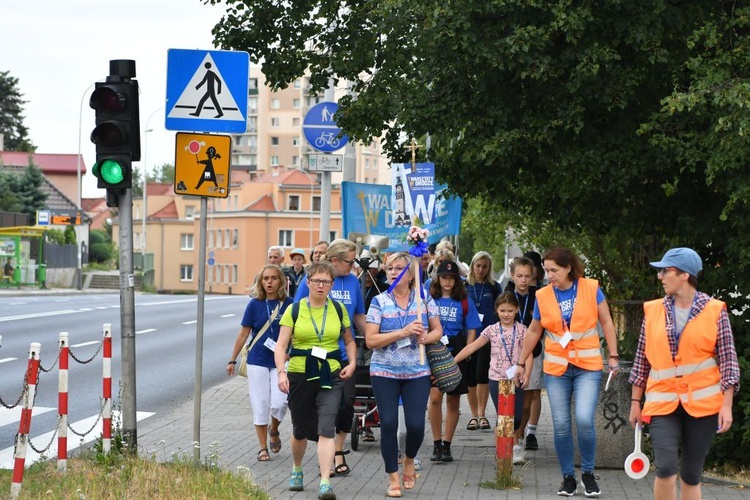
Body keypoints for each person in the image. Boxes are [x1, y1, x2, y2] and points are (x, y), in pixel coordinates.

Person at [628, 248, 740, 500]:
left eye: (665, 271)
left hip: (703, 406)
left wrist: (727, 406)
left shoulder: (715, 310)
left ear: (684, 275)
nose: (660, 276)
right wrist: (636, 402)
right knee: (666, 467)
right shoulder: (653, 310)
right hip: (661, 402)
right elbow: (641, 361)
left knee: (691, 474)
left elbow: (729, 361)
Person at [514, 247, 619, 497]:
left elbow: (606, 321)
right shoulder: (543, 295)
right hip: (557, 367)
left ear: (568, 268)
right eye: (546, 270)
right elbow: (533, 331)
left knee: (583, 419)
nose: (549, 275)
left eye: (554, 270)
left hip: (587, 367)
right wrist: (520, 362)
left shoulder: (590, 288)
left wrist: (613, 355)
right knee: (561, 425)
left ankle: (589, 474)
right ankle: (568, 478)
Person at [275, 261, 357, 500]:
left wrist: (351, 363)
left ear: (332, 285)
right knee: (300, 429)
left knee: (327, 427)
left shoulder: (339, 310)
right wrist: (281, 372)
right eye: (317, 281)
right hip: (300, 373)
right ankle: (297, 468)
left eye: (326, 282)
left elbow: (350, 341)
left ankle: (324, 481)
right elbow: (281, 345)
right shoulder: (295, 310)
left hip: (331, 373)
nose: (321, 286)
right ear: (308, 283)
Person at [365, 252, 443, 497]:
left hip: (417, 371)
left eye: (400, 268)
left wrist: (426, 337)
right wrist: (402, 332)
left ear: (411, 275)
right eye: (390, 268)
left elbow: (437, 330)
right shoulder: (379, 301)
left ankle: (409, 459)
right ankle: (393, 478)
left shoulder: (424, 299)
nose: (393, 272)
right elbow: (370, 340)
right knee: (388, 423)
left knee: (416, 426)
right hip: (384, 371)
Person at [295, 239, 366, 476]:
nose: (353, 264)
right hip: (313, 359)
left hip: (343, 357)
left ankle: (338, 448)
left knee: (346, 405)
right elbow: (295, 317)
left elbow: (358, 317)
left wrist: (376, 340)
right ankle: (328, 456)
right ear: (334, 260)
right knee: (320, 409)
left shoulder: (353, 282)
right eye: (350, 261)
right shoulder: (313, 280)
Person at [227, 264, 293, 461]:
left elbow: (296, 333)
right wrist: (232, 359)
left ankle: (274, 428)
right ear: (260, 281)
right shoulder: (255, 304)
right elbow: (243, 333)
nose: (269, 282)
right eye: (265, 279)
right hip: (257, 360)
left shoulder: (290, 304)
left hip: (281, 360)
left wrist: (292, 353)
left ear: (280, 281)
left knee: (281, 402)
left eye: (273, 278)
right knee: (260, 402)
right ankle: (263, 447)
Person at [454, 292, 527, 464]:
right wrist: (453, 361)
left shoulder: (523, 330)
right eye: (502, 310)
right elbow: (473, 346)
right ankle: (506, 451)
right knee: (503, 416)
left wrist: (526, 372)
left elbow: (528, 353)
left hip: (517, 378)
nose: (506, 314)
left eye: (510, 310)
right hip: (496, 378)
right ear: (496, 310)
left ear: (517, 310)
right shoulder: (491, 330)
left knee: (516, 417)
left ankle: (513, 442)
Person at [428, 260, 482, 463]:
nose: (448, 281)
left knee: (453, 400)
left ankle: (447, 444)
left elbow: (472, 328)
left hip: (456, 352)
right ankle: (435, 441)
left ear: (457, 279)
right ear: (438, 279)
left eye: (451, 278)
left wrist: (468, 351)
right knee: (434, 398)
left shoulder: (464, 301)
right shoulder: (430, 299)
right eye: (444, 277)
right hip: (434, 352)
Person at [504, 256, 542, 451]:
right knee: (511, 400)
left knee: (527, 402)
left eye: (527, 276)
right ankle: (512, 441)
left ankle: (520, 435)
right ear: (512, 276)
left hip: (533, 353)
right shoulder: (506, 295)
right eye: (519, 276)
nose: (524, 280)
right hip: (509, 354)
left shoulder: (539, 296)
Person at [464, 251, 503, 432]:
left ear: (489, 268)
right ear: (472, 266)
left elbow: (501, 309)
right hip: (469, 335)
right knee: (470, 376)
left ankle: (482, 414)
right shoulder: (464, 286)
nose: (480, 269)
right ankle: (473, 414)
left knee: (482, 374)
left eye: (484, 266)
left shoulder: (494, 287)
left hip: (488, 336)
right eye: (478, 265)